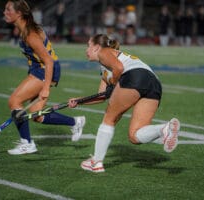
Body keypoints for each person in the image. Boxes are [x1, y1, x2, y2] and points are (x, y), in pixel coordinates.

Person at [68, 34, 180, 173]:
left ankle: (96, 162)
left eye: (88, 46)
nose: (86, 50)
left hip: (135, 76)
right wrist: (80, 101)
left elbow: (119, 68)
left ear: (97, 47)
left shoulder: (104, 52)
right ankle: (165, 129)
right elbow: (102, 96)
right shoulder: (104, 69)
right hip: (153, 83)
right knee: (134, 136)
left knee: (109, 118)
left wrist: (115, 82)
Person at [3, 0, 85, 155]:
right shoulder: (24, 30)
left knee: (14, 101)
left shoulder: (30, 34)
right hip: (39, 69)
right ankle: (75, 122)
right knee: (36, 115)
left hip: (45, 70)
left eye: (8, 10)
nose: (4, 12)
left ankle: (27, 143)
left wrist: (45, 88)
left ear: (19, 13)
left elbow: (48, 61)